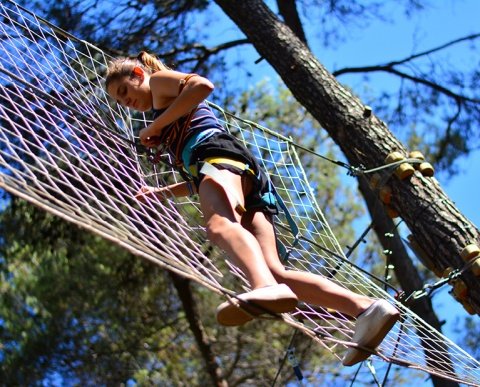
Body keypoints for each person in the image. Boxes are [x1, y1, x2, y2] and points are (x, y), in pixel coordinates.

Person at [105, 51, 400, 366]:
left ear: (138, 73)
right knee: (275, 270)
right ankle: (366, 309)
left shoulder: (161, 84)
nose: (128, 102)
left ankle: (263, 289)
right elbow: (199, 180)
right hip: (235, 170)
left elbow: (202, 86)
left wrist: (156, 126)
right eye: (121, 102)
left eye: (125, 92)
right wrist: (163, 191)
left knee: (219, 225)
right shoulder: (168, 115)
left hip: (218, 156)